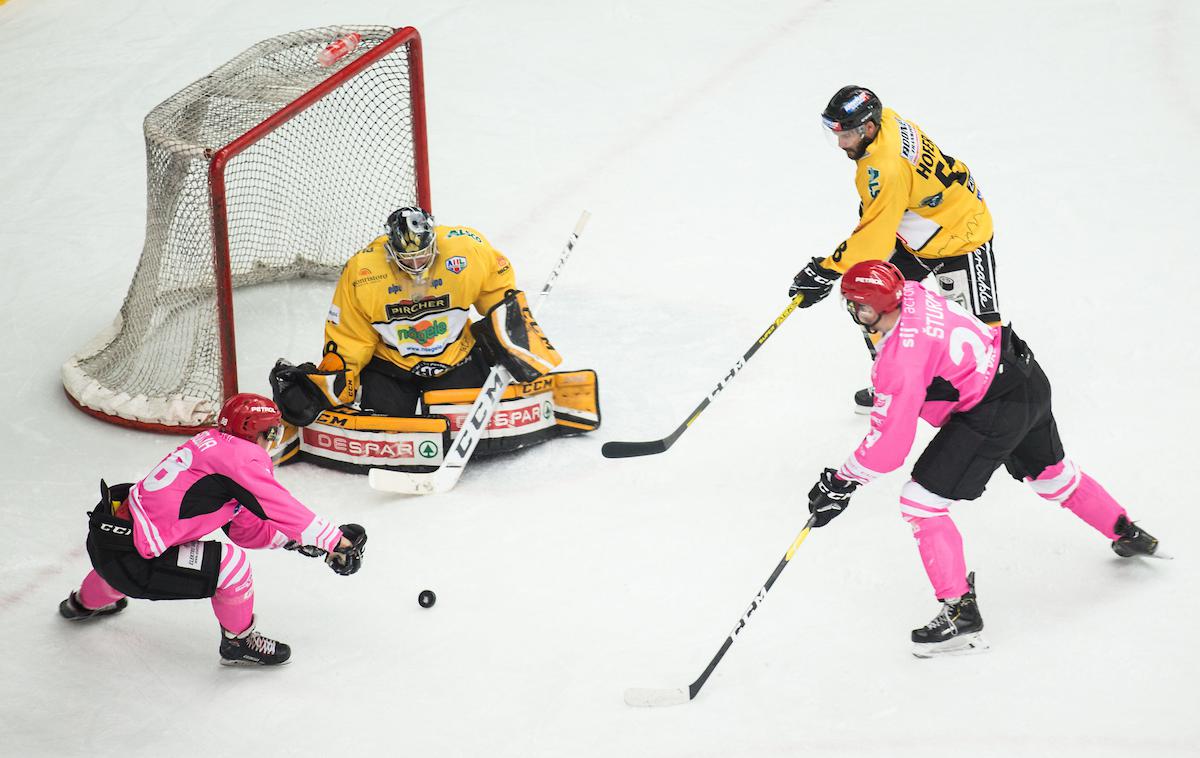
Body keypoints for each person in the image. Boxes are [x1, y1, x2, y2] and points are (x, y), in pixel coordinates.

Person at [803, 260, 1162, 658]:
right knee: (1052, 476)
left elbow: (889, 448)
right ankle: (1127, 532)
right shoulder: (916, 294)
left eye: (860, 307)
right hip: (1025, 376)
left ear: (879, 307)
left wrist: (841, 481)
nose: (856, 314)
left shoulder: (899, 364)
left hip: (992, 410)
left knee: (921, 502)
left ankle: (961, 617)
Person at [58, 393, 367, 666]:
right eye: (271, 432)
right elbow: (277, 505)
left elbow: (245, 529)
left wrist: (295, 542)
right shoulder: (241, 458)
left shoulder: (214, 449)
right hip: (135, 563)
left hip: (109, 543)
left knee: (139, 552)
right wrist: (336, 542)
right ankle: (239, 642)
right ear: (254, 432)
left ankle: (80, 603)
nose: (272, 441)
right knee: (230, 566)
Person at [789, 86, 998, 412]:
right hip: (918, 236)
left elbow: (874, 240)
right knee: (868, 298)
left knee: (980, 340)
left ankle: (995, 410)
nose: (841, 144)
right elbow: (884, 212)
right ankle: (896, 381)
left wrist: (826, 270)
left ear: (868, 128)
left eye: (845, 136)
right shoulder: (885, 120)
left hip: (960, 236)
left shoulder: (882, 166)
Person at [272, 206, 561, 422]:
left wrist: (514, 331)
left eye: (423, 255)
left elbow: (497, 291)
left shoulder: (467, 250)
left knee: (466, 422)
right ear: (391, 250)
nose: (417, 264)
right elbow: (350, 335)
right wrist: (334, 377)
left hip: (456, 359)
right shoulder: (364, 271)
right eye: (408, 259)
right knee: (387, 427)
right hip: (390, 366)